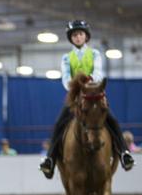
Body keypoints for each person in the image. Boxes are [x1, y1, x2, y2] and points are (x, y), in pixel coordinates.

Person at [39, 20, 135, 178]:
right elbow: (65, 78)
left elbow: (98, 73)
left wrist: (89, 84)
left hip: (94, 94)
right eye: (74, 35)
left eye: (80, 34)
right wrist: (76, 87)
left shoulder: (95, 54)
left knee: (112, 120)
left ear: (86, 36)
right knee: (59, 124)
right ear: (71, 38)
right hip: (76, 96)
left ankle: (125, 153)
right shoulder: (66, 58)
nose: (77, 37)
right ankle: (50, 159)